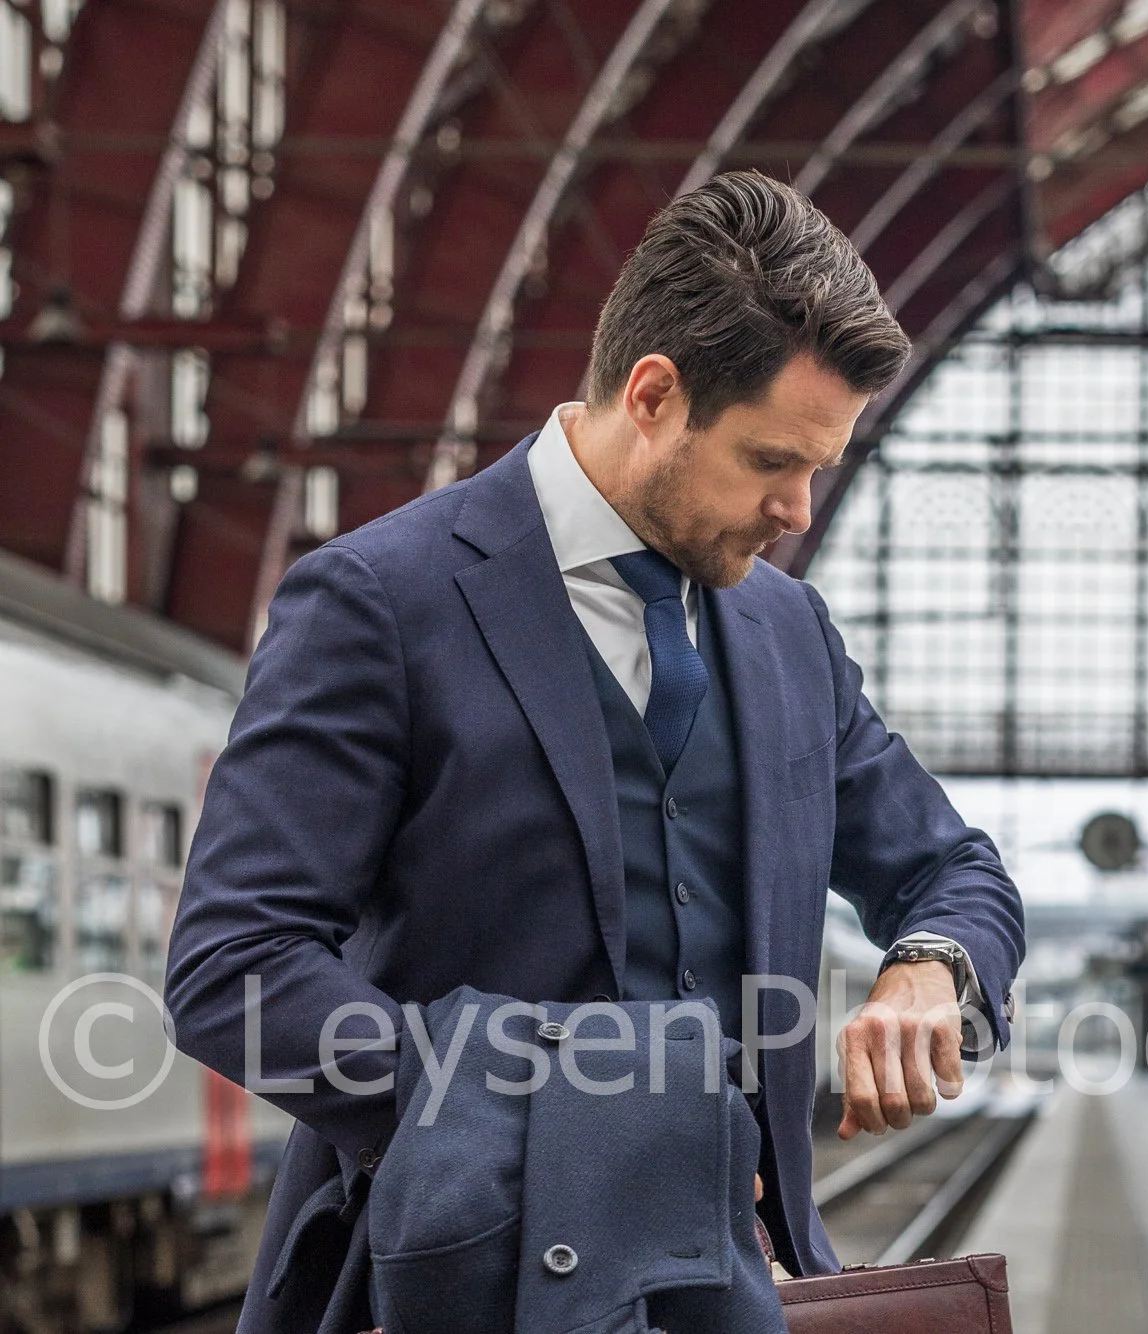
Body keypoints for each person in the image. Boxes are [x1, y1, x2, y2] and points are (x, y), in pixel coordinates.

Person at [164, 170, 1026, 1332]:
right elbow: (235, 963)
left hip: (747, 1291)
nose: (800, 512)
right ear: (655, 393)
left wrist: (934, 965)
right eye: (772, 461)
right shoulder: (380, 601)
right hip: (449, 1284)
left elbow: (953, 869)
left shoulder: (789, 637)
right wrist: (550, 1120)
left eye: (819, 467)